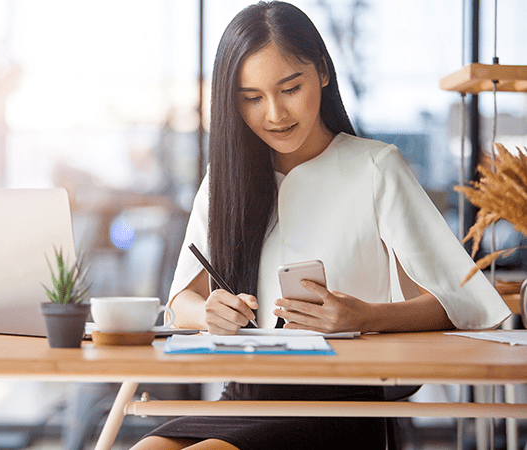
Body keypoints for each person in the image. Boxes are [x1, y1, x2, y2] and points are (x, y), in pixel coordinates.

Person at [130, 2, 512, 449]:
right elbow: (182, 302)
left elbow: (458, 303)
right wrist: (209, 313)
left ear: (324, 73)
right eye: (251, 98)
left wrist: (364, 317)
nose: (274, 113)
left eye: (290, 88)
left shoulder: (375, 167)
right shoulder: (226, 179)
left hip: (343, 403)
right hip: (244, 396)